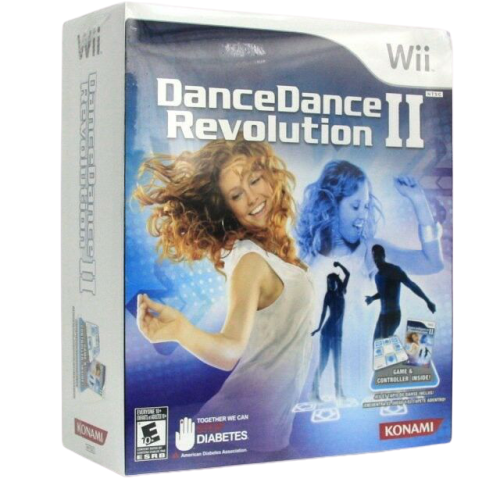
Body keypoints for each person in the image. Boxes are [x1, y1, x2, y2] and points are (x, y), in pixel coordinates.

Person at [133, 134, 315, 454]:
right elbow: (230, 350)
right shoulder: (249, 261)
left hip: (267, 435)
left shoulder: (270, 251)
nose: (252, 197)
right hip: (239, 436)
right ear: (226, 207)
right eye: (236, 195)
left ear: (269, 175)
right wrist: (181, 330)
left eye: (254, 180)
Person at [296, 160, 444, 276]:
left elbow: (432, 264)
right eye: (355, 206)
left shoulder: (370, 253)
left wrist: (418, 199)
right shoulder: (305, 262)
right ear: (331, 206)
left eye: (366, 206)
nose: (363, 215)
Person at [366, 245, 436, 342]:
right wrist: (372, 298)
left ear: (383, 255)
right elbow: (383, 293)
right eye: (374, 256)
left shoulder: (394, 270)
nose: (376, 259)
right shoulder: (377, 276)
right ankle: (413, 345)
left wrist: (427, 301)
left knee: (383, 344)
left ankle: (417, 343)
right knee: (376, 343)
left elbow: (411, 285)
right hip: (382, 316)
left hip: (393, 315)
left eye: (378, 255)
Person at [310, 262, 350, 404]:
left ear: (336, 282)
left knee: (337, 364)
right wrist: (318, 328)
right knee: (323, 362)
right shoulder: (328, 295)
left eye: (332, 282)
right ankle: (314, 391)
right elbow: (323, 313)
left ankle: (339, 393)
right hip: (326, 333)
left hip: (338, 335)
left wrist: (339, 265)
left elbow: (348, 274)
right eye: (328, 282)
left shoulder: (341, 291)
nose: (330, 284)